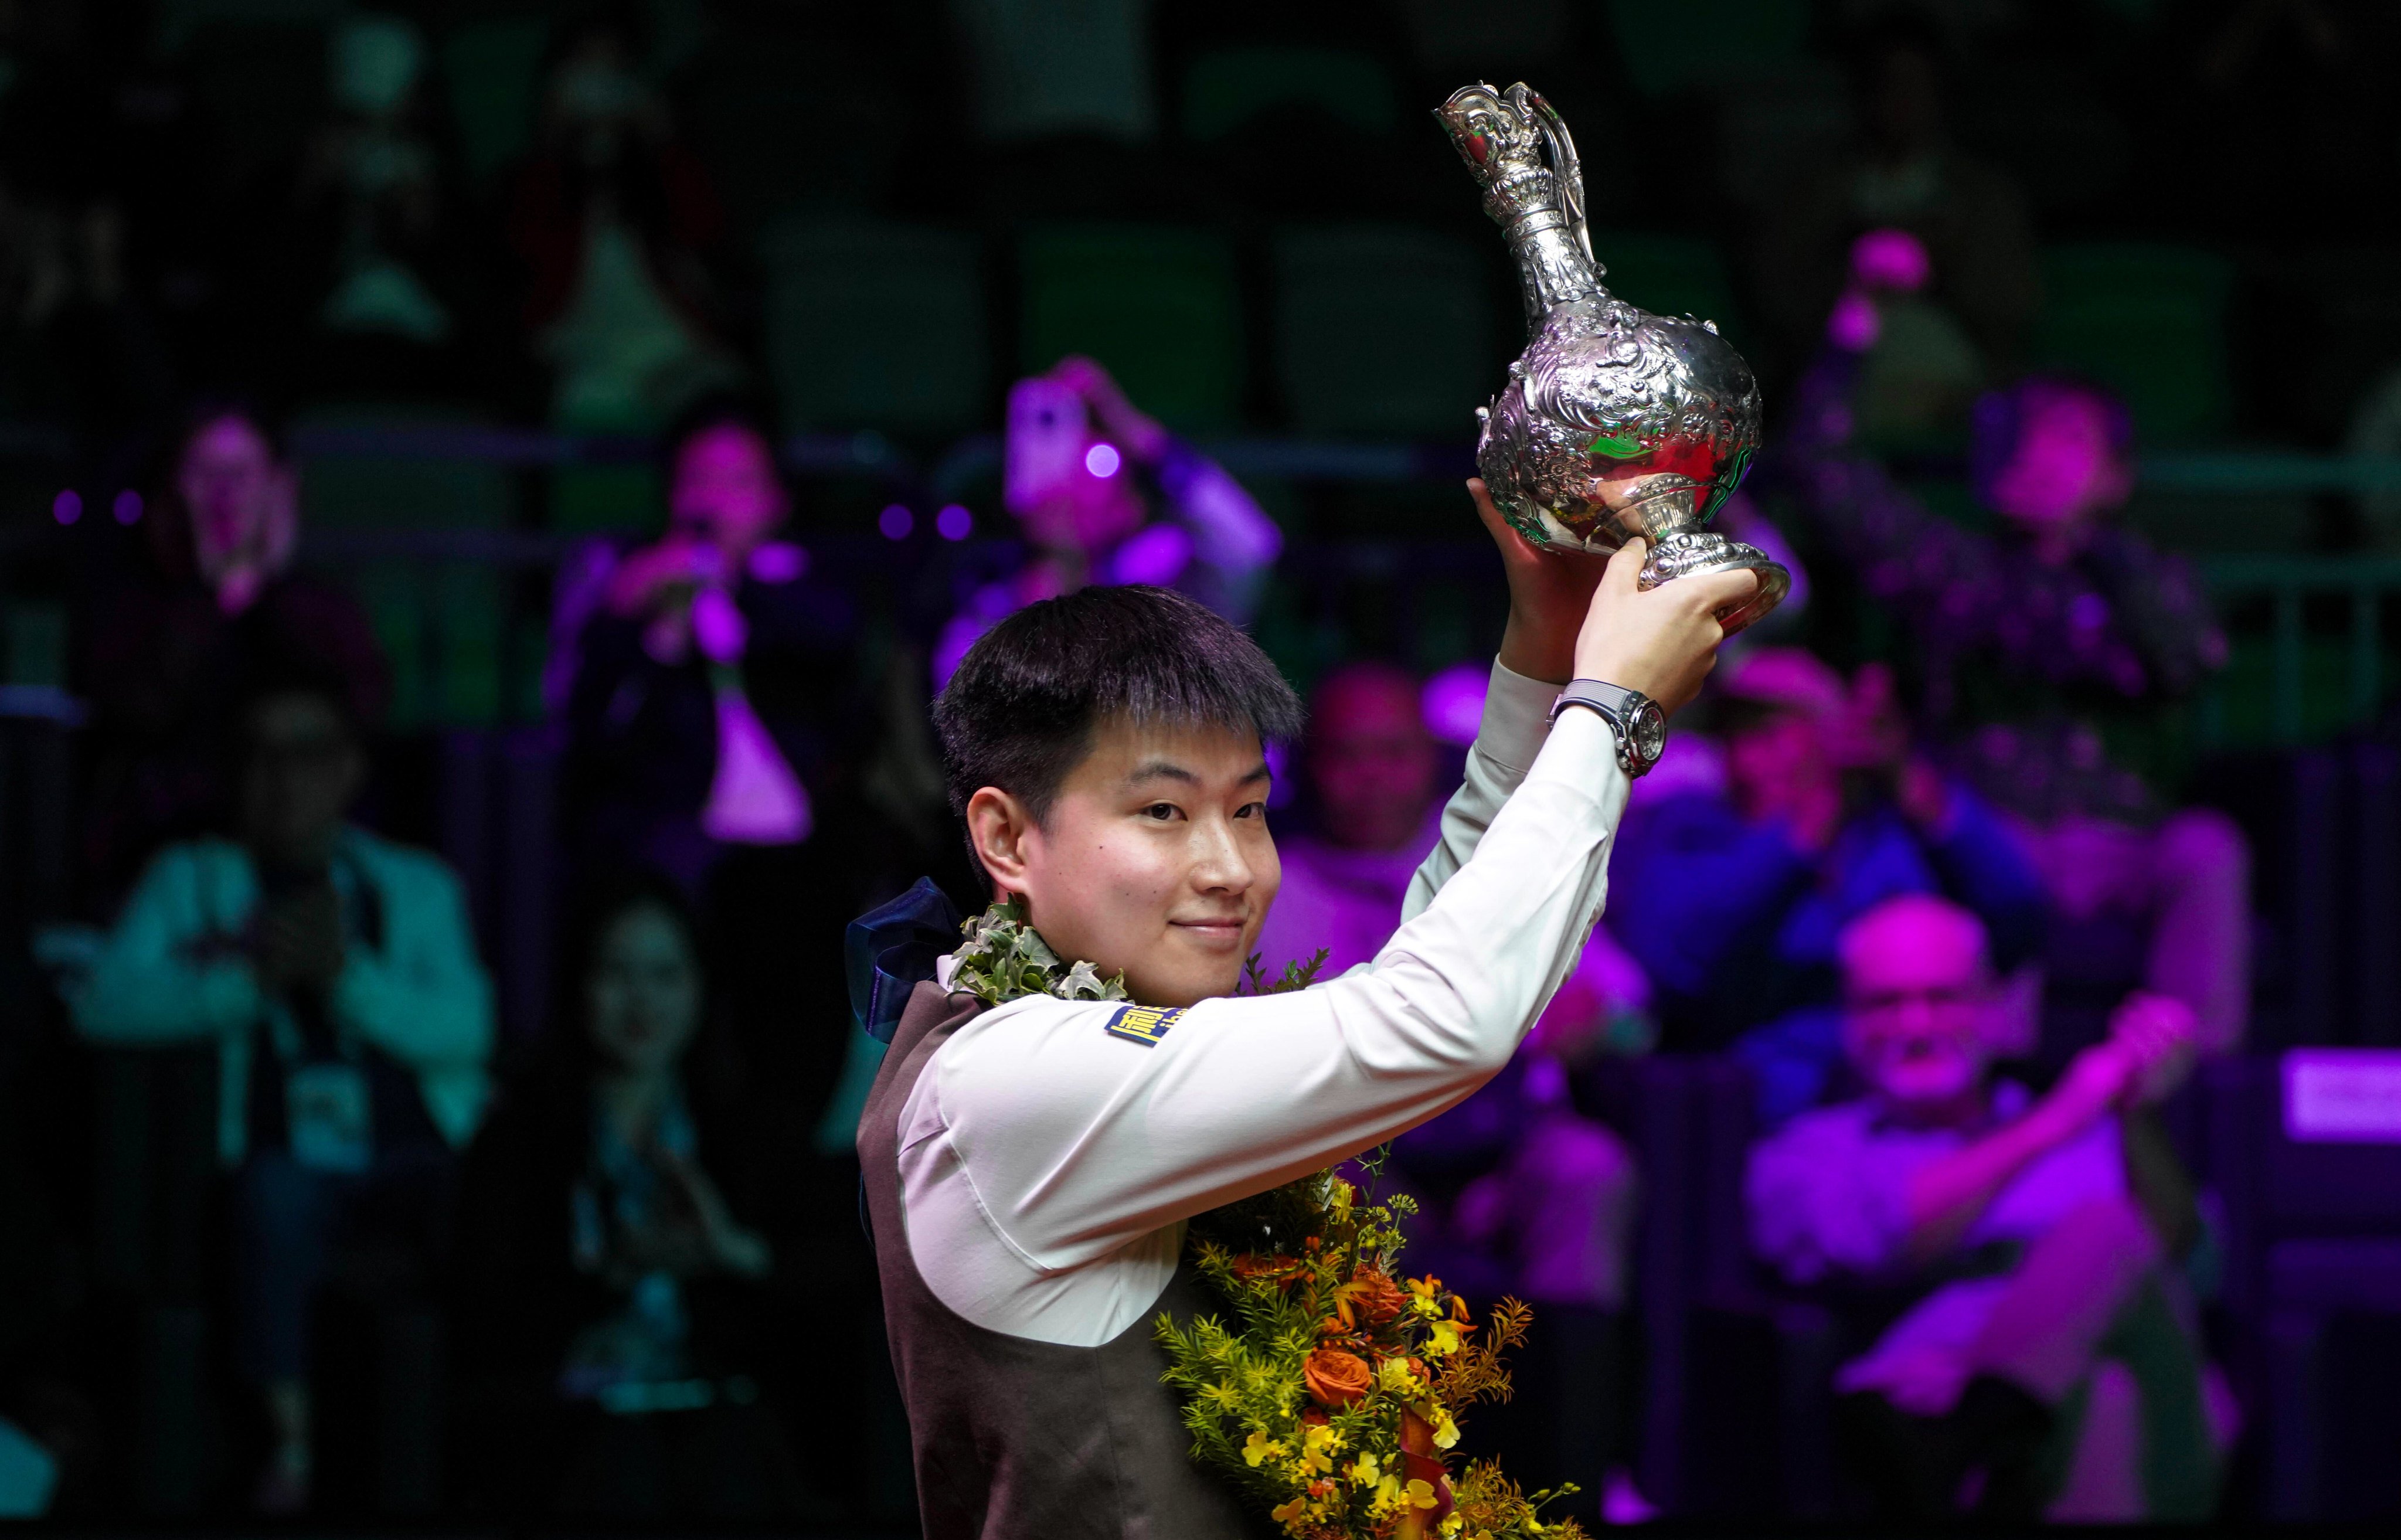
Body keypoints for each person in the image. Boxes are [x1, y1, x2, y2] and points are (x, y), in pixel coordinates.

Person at [862, 478, 1751, 1536]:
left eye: (1248, 809)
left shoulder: (1091, 1029)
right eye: (1162, 811)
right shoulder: (1005, 1078)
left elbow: (1427, 961)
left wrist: (1538, 656)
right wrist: (1609, 710)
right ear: (1007, 839)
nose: (1232, 868)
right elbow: (1434, 1019)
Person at [1782, 238, 2250, 1073]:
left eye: (2069, 441)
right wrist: (1861, 317)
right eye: (2028, 439)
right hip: (1993, 837)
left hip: (2123, 843)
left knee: (2208, 849)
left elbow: (2191, 657)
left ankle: (2188, 1078)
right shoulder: (1957, 569)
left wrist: (2089, 540)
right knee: (1983, 865)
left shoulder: (2145, 579)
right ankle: (1976, 1089)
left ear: (2114, 476)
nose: (2042, 456)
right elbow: (1825, 471)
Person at [72, 667, 494, 1513]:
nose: (284, 775)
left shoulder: (416, 885)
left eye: (308, 752)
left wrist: (344, 978)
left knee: (489, 1194)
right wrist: (249, 977)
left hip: (407, 1152)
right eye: (260, 753)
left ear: (348, 769)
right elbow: (99, 1005)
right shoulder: (191, 877)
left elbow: (468, 1026)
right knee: (274, 1192)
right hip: (272, 1161)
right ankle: (289, 1442)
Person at [1256, 658, 1652, 1522]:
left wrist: (1593, 1019)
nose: (1372, 774)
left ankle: (1577, 1485)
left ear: (1430, 758)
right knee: (1317, 1193)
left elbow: (1632, 1012)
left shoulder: (1489, 854)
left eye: (1394, 751)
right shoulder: (1269, 884)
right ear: (1309, 766)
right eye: (1347, 753)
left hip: (1509, 1148)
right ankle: (1383, 1502)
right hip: (1359, 1153)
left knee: (1590, 1170)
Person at [1747, 895, 2229, 1522]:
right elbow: (1869, 1242)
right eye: (1884, 1003)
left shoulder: (2103, 1135)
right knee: (2106, 1401)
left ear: (1999, 1009)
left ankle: (1979, 1426)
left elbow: (2190, 1267)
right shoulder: (1813, 1152)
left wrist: (2135, 1113)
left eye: (1942, 997)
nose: (1915, 1024)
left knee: (2108, 1230)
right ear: (1846, 1021)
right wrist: (2053, 1120)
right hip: (1972, 1415)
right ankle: (1999, 1424)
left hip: (2136, 1419)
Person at [451, 877, 803, 1518]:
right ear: (578, 985)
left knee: (733, 1458)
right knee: (622, 1461)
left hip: (709, 1404)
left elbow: (808, 1294)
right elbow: (483, 1312)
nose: (641, 1001)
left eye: (665, 975)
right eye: (616, 973)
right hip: (567, 1414)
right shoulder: (520, 1136)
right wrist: (612, 1273)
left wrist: (728, 1252)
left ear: (699, 988)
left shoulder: (738, 1127)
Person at [1611, 645, 2047, 1125]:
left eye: (1776, 730)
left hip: (1915, 1103)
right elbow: (1672, 955)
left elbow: (2019, 912)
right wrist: (1806, 828)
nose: (1751, 754)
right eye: (1736, 733)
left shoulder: (1891, 836)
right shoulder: (1693, 828)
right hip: (1768, 1118)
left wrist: (1903, 775)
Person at [81, 402, 389, 909]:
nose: (225, 495)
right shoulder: (136, 607)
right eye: (205, 475)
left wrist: (265, 586)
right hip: (169, 857)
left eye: (242, 474)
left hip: (301, 855)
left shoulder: (322, 610)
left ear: (276, 487)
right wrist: (211, 592)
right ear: (174, 489)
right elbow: (136, 715)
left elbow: (360, 714)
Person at [1754, 15, 2038, 443]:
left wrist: (1945, 262)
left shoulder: (1982, 195)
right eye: (1890, 85)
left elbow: (2011, 309)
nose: (1903, 101)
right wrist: (1851, 260)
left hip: (1953, 383)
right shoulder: (1816, 191)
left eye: (1917, 86)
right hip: (1839, 385)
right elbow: (1778, 301)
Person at [931, 355, 1282, 687]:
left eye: (1094, 467)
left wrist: (1141, 436)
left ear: (1131, 505)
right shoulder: (983, 619)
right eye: (1056, 461)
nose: (1068, 488)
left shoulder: (1167, 590)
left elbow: (1253, 545)